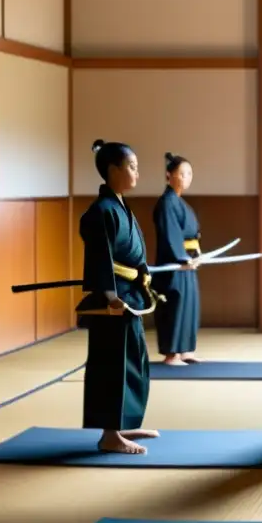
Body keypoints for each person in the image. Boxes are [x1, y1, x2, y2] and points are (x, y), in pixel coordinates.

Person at [77, 139, 159, 455]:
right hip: (114, 301)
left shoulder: (121, 206)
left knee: (133, 361)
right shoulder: (100, 212)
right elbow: (100, 258)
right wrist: (110, 295)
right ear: (113, 170)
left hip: (130, 295)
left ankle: (122, 423)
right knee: (112, 365)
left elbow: (134, 252)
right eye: (132, 166)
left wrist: (144, 274)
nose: (137, 172)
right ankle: (109, 433)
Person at [150, 152, 202, 365]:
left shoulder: (181, 204)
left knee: (190, 304)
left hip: (186, 262)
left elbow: (193, 235)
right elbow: (170, 235)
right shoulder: (166, 203)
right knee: (175, 305)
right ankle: (172, 353)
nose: (186, 177)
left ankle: (185, 350)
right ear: (168, 175)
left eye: (189, 173)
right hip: (174, 265)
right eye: (182, 173)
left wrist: (196, 255)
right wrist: (181, 257)